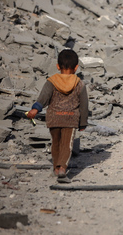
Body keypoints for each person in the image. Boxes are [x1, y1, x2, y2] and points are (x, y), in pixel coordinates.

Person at [27, 49, 88, 180]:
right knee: (67, 145)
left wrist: (35, 109)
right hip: (71, 119)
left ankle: (55, 166)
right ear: (76, 67)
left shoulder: (51, 81)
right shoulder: (80, 84)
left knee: (56, 143)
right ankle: (62, 168)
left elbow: (43, 98)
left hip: (53, 117)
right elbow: (84, 105)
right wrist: (83, 123)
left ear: (58, 66)